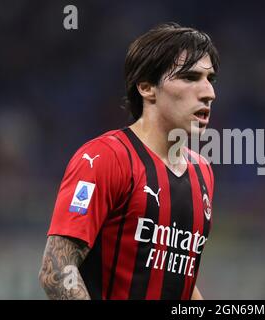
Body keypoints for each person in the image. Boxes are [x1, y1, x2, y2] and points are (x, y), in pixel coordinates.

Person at [38, 22, 219, 300]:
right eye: (191, 78)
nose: (209, 92)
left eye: (210, 79)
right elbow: (57, 270)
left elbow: (179, 279)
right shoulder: (105, 158)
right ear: (147, 87)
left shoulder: (202, 172)